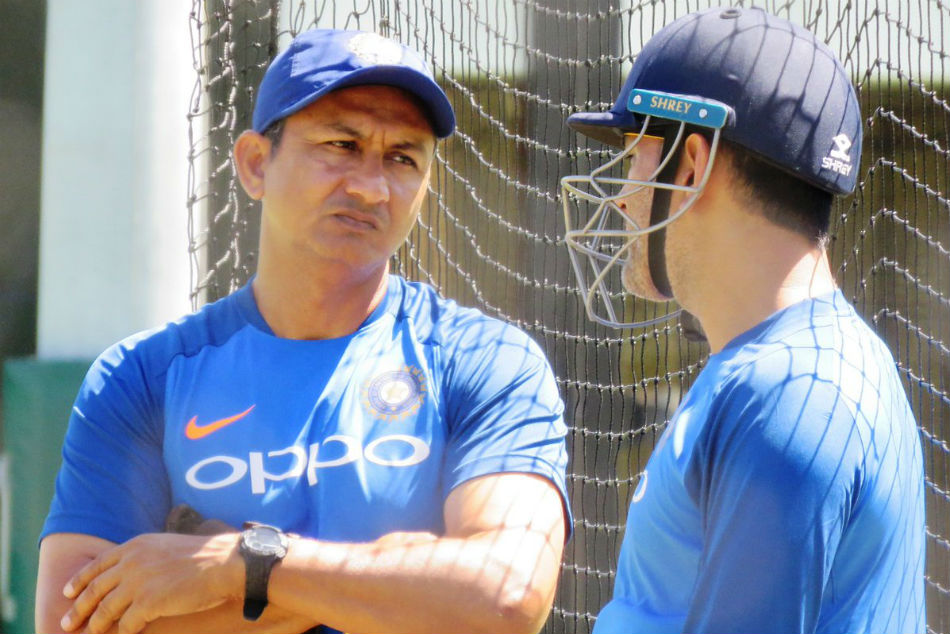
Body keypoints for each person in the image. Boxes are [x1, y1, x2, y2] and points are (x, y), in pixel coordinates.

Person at [36, 28, 570, 634]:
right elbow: (69, 621)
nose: (371, 187)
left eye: (403, 158)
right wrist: (402, 579)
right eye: (342, 145)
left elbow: (506, 596)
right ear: (255, 164)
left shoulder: (487, 360)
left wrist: (240, 565)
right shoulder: (142, 376)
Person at [560, 7, 925, 634]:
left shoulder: (792, 394)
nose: (620, 195)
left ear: (692, 164)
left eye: (636, 155)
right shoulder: (790, 368)